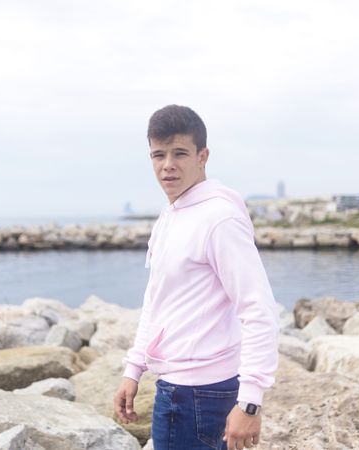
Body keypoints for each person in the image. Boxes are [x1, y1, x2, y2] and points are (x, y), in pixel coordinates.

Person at [113, 104, 279, 450]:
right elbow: (156, 302)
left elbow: (259, 308)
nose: (167, 164)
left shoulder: (219, 220)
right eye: (158, 155)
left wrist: (249, 402)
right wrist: (134, 368)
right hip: (175, 388)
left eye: (180, 153)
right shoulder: (171, 215)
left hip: (201, 395)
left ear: (202, 156)